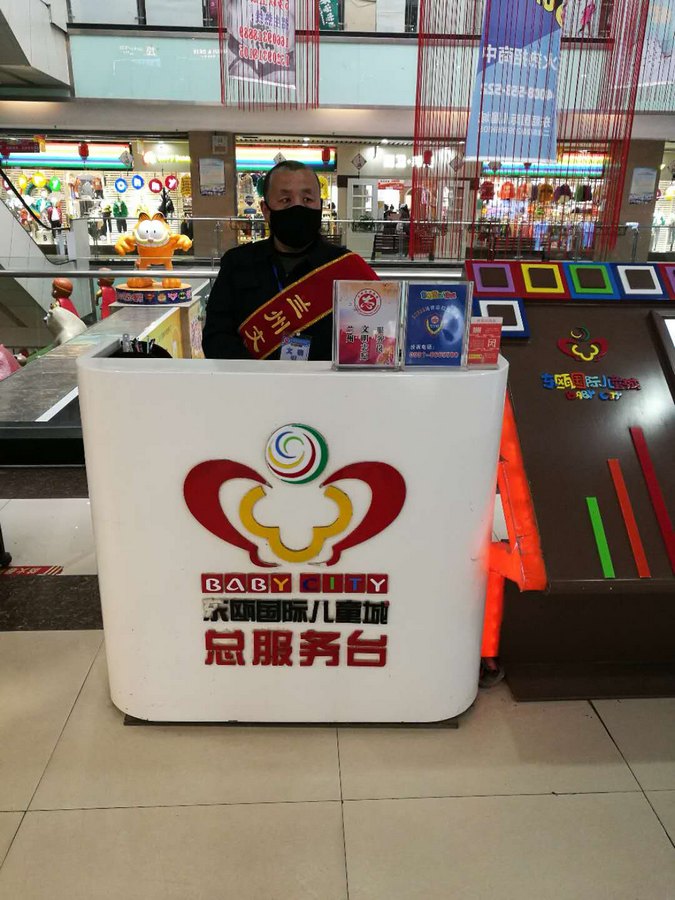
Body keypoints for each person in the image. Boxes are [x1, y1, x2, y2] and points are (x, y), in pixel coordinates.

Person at [203, 160, 377, 361]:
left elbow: (372, 340)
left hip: (325, 380)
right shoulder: (237, 263)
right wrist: (261, 375)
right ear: (266, 210)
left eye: (307, 199)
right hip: (254, 380)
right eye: (285, 200)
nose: (298, 207)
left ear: (320, 206)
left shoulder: (346, 267)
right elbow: (216, 337)